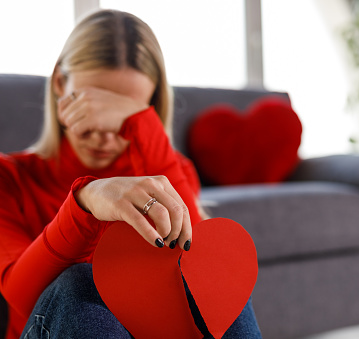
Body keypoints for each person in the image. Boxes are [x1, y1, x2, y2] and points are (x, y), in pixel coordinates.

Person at [0, 9, 262, 339]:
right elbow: (21, 298)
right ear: (59, 83)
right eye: (89, 107)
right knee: (79, 283)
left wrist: (143, 126)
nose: (105, 135)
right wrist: (86, 202)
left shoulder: (168, 172)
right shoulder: (8, 178)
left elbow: (204, 279)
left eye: (122, 117)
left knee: (219, 265)